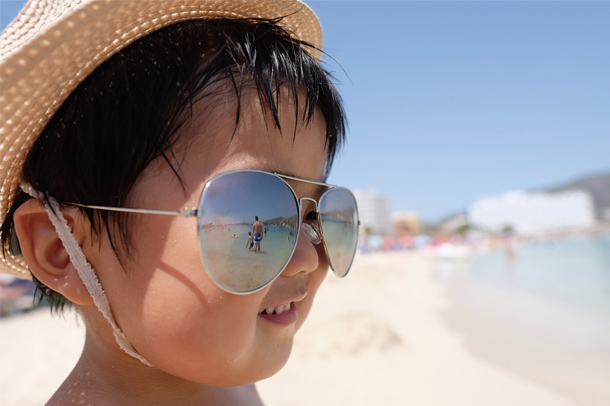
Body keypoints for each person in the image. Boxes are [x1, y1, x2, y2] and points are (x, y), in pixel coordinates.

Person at [0, 0, 359, 404]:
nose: (310, 257)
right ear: (63, 248)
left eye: (316, 216)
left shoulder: (231, 383)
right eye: (252, 211)